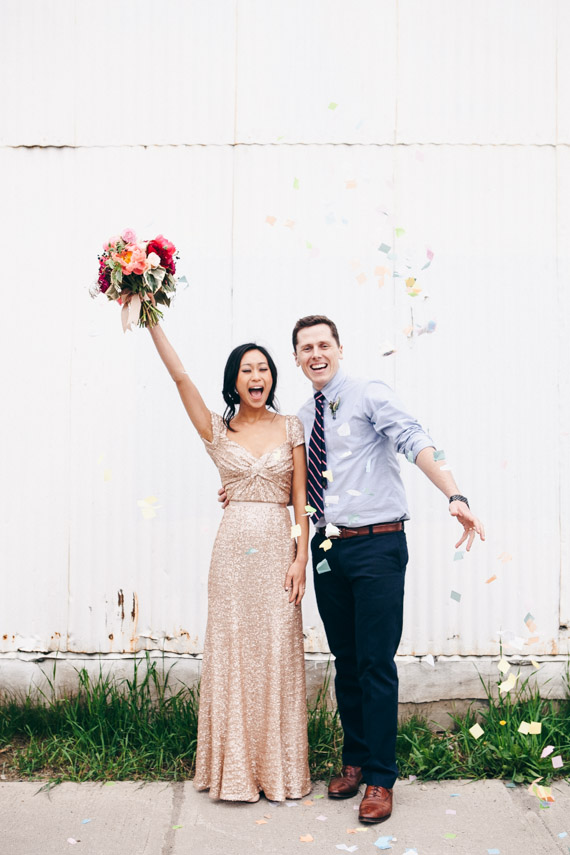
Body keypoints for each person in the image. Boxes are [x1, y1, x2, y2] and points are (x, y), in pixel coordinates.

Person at [291, 314, 485, 823]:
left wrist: (454, 493)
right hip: (328, 550)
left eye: (323, 345)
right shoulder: (301, 416)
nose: (316, 354)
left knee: (376, 662)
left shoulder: (368, 393)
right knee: (347, 659)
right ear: (296, 358)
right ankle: (354, 760)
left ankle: (380, 777)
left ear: (338, 349)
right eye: (306, 347)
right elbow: (290, 480)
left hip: (377, 545)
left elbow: (414, 438)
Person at [146, 320, 311, 802]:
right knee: (233, 653)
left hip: (280, 548)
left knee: (278, 653)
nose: (257, 376)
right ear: (234, 381)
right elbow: (181, 379)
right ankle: (233, 770)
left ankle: (277, 771)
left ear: (272, 378)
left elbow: (300, 501)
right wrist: (154, 321)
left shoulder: (292, 426)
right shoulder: (217, 429)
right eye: (247, 369)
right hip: (233, 554)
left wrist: (301, 557)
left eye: (264, 368)